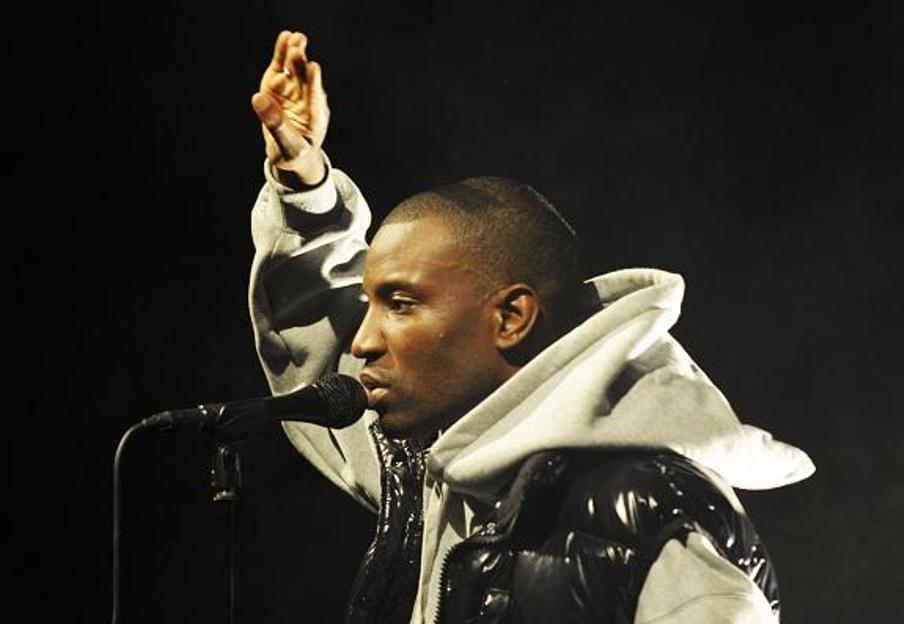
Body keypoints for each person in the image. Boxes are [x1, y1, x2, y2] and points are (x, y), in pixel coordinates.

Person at [247, 30, 815, 623]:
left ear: (511, 319)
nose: (365, 340)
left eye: (401, 304)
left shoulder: (648, 517)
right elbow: (320, 334)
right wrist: (305, 188)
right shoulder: (440, 463)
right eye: (370, 304)